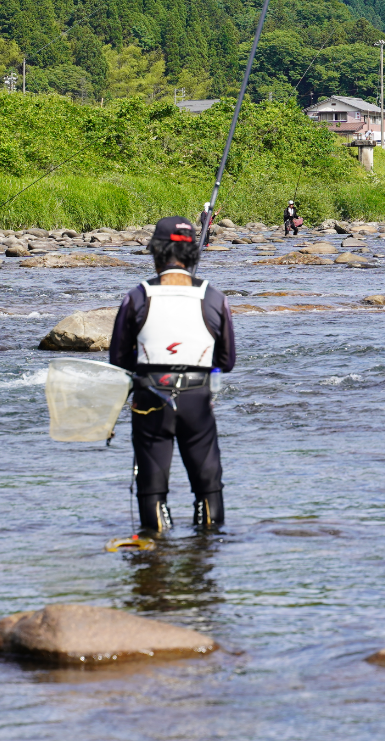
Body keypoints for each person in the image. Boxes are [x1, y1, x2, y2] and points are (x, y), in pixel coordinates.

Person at [109, 217, 236, 532]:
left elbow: (118, 359)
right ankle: (205, 560)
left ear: (156, 252)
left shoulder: (136, 296)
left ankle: (154, 560)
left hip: (150, 400)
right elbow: (227, 360)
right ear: (193, 253)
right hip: (198, 401)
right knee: (208, 485)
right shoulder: (214, 298)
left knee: (151, 486)